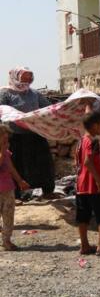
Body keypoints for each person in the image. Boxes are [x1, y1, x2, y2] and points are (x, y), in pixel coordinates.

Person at [0, 67, 56, 199]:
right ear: (15, 76)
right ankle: (17, 195)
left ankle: (48, 191)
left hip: (36, 135)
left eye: (31, 76)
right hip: (15, 137)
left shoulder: (34, 93)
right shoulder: (5, 93)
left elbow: (47, 107)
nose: (29, 79)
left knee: (43, 163)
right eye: (26, 76)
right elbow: (1, 110)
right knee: (17, 164)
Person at [75, 111, 100, 257]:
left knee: (83, 216)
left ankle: (84, 245)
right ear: (95, 125)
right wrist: (99, 181)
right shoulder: (93, 141)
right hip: (93, 185)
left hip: (81, 185)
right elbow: (88, 162)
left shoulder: (81, 141)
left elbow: (77, 161)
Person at [0, 124, 30, 250]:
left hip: (8, 189)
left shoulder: (6, 153)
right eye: (3, 141)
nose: (7, 143)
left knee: (8, 215)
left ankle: (6, 240)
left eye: (7, 140)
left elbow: (11, 168)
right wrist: (2, 150)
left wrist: (20, 180)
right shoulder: (3, 153)